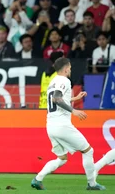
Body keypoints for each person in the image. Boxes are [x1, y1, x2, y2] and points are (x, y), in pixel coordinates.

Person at [31, 57, 106, 191]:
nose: (70, 70)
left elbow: (56, 98)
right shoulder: (64, 80)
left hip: (51, 126)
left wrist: (73, 99)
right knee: (88, 151)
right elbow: (56, 99)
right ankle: (92, 184)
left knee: (62, 158)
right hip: (62, 125)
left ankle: (38, 179)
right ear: (66, 68)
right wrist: (74, 110)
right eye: (70, 68)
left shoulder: (53, 81)